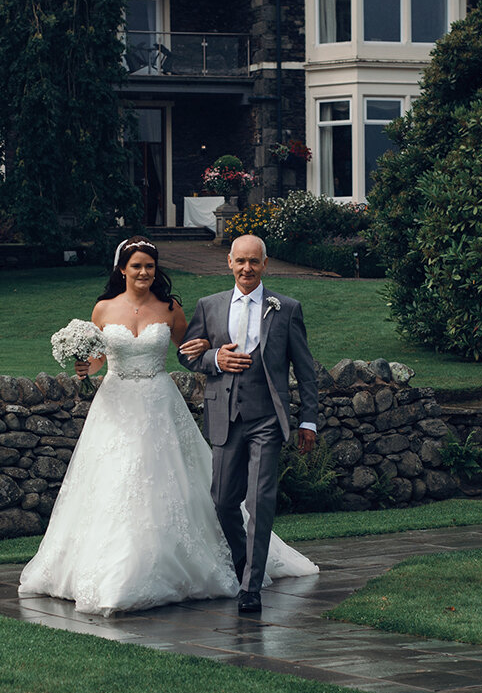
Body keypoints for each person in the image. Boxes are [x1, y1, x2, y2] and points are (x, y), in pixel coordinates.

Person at [18, 236, 317, 617]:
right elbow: (98, 359)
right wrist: (84, 366)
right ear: (121, 269)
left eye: (149, 266)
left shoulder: (171, 308)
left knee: (180, 487)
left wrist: (211, 353)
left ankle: (242, 577)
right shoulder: (103, 309)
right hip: (115, 407)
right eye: (136, 266)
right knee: (116, 486)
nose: (143, 272)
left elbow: (188, 349)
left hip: (160, 403)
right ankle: (112, 571)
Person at [178, 234, 320, 613]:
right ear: (229, 262)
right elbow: (187, 355)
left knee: (260, 501)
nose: (246, 268)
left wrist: (308, 420)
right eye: (240, 261)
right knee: (223, 501)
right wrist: (215, 360)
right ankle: (245, 563)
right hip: (224, 415)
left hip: (266, 418)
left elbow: (306, 372)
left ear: (265, 264)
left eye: (253, 262)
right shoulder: (209, 306)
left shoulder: (286, 308)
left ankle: (251, 587)